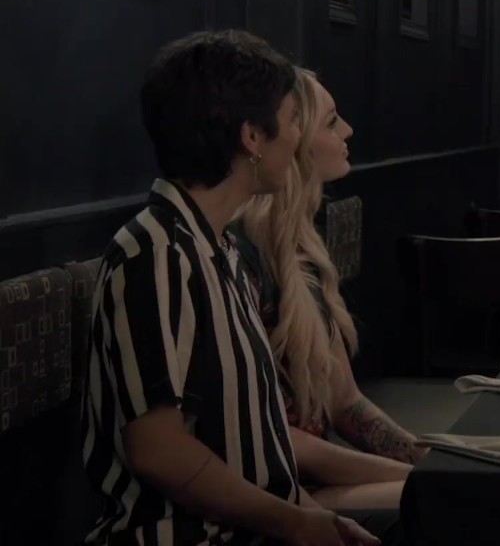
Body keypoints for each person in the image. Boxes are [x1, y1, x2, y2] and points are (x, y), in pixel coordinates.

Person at [82, 31, 378, 545]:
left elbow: (261, 448)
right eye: (292, 121)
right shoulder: (157, 253)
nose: (297, 139)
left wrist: (315, 516)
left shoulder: (217, 247)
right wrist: (295, 523)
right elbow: (159, 451)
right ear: (253, 137)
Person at [235, 69, 418, 525]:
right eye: (332, 122)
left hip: (314, 483)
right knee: (462, 504)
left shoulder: (303, 248)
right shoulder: (239, 254)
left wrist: (433, 457)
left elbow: (345, 403)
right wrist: (424, 477)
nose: (348, 131)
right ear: (292, 139)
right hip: (272, 499)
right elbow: (272, 440)